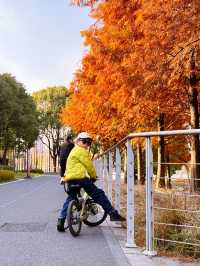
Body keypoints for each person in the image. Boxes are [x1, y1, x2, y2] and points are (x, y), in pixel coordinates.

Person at [57, 132, 125, 232]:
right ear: (78, 141)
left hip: (70, 179)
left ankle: (60, 221)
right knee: (98, 194)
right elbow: (89, 166)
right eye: (84, 141)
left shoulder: (73, 151)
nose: (86, 144)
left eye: (88, 143)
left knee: (70, 198)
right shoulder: (82, 151)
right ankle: (112, 213)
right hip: (80, 178)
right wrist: (93, 176)